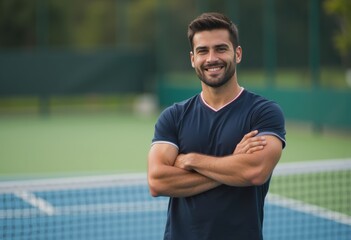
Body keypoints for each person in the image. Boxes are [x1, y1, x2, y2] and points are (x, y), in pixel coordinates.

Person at [147, 12, 286, 240]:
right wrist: (233, 164)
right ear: (193, 59)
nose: (212, 58)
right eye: (203, 51)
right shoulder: (173, 116)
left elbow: (254, 171)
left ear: (237, 54)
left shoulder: (263, 112)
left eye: (221, 48)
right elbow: (157, 181)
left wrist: (191, 160)